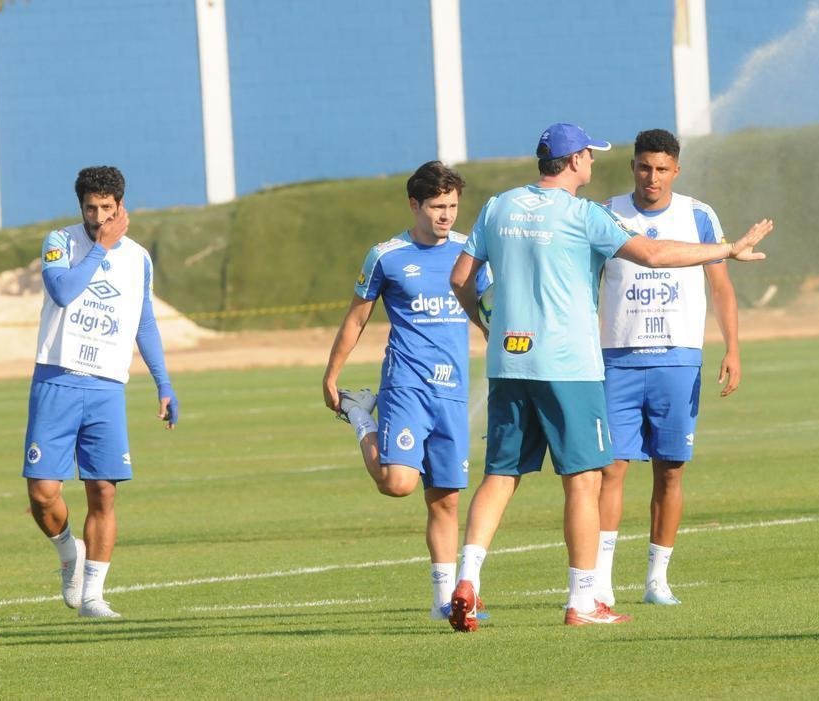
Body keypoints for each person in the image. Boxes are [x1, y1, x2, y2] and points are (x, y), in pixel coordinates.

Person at [447, 122, 772, 630]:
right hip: (569, 367)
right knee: (584, 480)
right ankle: (583, 600)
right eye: (590, 156)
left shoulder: (499, 206)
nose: (594, 163)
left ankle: (466, 579)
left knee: (500, 476)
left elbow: (460, 279)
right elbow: (656, 255)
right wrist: (727, 250)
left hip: (510, 363)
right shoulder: (584, 215)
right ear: (574, 160)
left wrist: (483, 320)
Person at [322, 161, 490, 621]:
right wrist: (332, 374)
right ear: (414, 204)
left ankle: (442, 603)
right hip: (406, 385)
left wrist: (503, 339)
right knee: (398, 484)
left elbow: (487, 310)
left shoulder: (470, 252)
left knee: (446, 499)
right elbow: (357, 316)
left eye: (453, 206)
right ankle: (361, 415)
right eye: (437, 206)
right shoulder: (386, 255)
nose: (446, 215)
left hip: (452, 390)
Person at [23, 165, 179, 619]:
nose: (97, 217)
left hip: (108, 384)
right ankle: (69, 554)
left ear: (120, 206)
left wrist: (163, 382)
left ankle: (93, 596)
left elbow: (143, 321)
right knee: (42, 492)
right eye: (90, 208)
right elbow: (63, 290)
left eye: (106, 209)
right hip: (57, 378)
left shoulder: (139, 258)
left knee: (104, 493)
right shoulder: (59, 242)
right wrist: (100, 249)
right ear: (81, 207)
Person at [595, 128, 741, 607]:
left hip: (679, 359)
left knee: (670, 470)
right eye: (643, 167)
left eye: (661, 169)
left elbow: (719, 286)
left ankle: (657, 579)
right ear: (632, 166)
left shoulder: (698, 215)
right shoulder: (606, 213)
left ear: (676, 170)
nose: (651, 177)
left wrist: (732, 348)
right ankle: (600, 579)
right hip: (617, 357)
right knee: (610, 468)